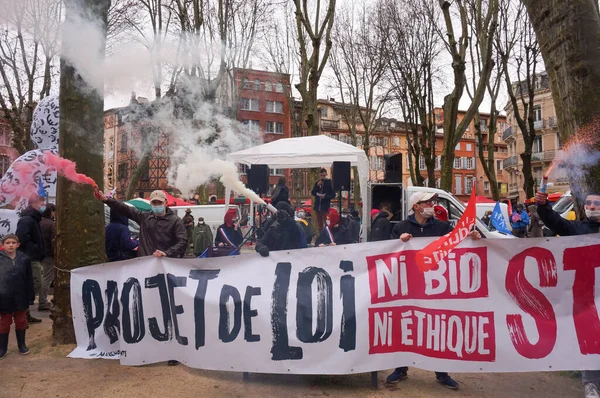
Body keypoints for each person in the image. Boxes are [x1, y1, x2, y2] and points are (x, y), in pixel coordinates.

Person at [387, 191, 481, 390]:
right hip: (409, 287)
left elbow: (458, 243)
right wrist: (398, 242)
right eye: (427, 202)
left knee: (439, 327)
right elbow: (387, 252)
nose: (431, 204)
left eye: (432, 201)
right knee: (407, 326)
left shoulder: (442, 227)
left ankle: (441, 371)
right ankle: (401, 367)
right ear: (416, 206)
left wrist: (473, 238)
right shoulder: (400, 227)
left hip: (436, 289)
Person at [95, 189, 187, 367]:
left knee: (168, 310)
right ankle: (145, 348)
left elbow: (183, 241)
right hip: (145, 271)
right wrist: (106, 199)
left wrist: (167, 253)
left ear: (165, 203)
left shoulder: (175, 221)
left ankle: (173, 350)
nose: (157, 206)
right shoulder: (145, 218)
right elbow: (124, 209)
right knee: (144, 310)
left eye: (159, 203)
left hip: (167, 271)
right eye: (154, 203)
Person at [535, 190, 600, 398]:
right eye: (588, 204)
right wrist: (544, 207)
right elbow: (556, 222)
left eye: (596, 204)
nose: (591, 207)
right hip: (587, 297)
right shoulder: (578, 229)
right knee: (591, 340)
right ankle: (591, 384)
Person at [0, 234, 34, 359]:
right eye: (8, 243)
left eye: (13, 242)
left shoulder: (24, 259)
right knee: (4, 322)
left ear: (18, 245)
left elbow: (29, 279)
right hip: (4, 297)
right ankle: (2, 347)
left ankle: (22, 345)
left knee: (21, 321)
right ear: (3, 245)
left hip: (21, 296)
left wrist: (30, 296)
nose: (10, 245)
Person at [15, 194, 45, 324]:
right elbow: (22, 238)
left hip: (34, 257)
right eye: (42, 203)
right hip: (30, 257)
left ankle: (25, 313)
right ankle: (21, 312)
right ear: (35, 204)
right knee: (35, 283)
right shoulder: (28, 219)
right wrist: (35, 249)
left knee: (34, 283)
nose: (43, 206)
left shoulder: (34, 219)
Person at [38, 203, 56, 311]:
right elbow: (53, 241)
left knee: (44, 276)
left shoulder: (39, 222)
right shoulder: (51, 224)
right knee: (47, 278)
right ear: (51, 212)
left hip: (42, 254)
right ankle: (42, 301)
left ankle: (42, 300)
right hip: (49, 254)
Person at [311, 168, 336, 233]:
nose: (322, 177)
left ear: (326, 175)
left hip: (325, 206)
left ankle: (326, 236)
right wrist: (317, 186)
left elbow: (333, 194)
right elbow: (313, 192)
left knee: (326, 223)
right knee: (319, 224)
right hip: (318, 206)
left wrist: (325, 197)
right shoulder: (317, 183)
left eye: (324, 175)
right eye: (321, 175)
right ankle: (320, 236)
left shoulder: (329, 183)